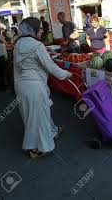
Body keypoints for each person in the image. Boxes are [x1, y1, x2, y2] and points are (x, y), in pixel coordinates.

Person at [13, 17, 72, 158]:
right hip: (34, 86)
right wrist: (67, 74)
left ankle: (52, 131)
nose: (42, 31)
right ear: (33, 30)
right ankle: (37, 149)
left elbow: (21, 67)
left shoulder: (18, 43)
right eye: (40, 29)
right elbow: (51, 67)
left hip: (22, 85)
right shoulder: (36, 46)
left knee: (34, 115)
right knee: (37, 118)